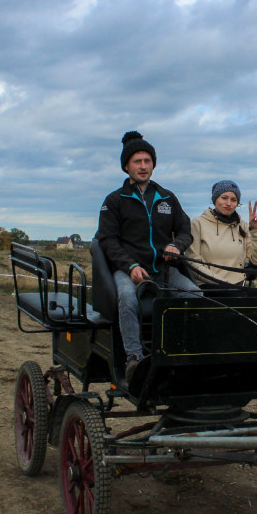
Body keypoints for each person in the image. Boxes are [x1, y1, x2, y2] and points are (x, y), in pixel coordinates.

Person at [95, 131, 200, 382]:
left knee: (196, 295)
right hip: (128, 270)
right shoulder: (114, 201)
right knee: (128, 300)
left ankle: (179, 350)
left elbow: (186, 231)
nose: (143, 166)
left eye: (147, 161)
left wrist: (177, 246)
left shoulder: (167, 198)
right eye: (137, 162)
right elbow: (107, 240)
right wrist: (129, 265)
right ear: (126, 167)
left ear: (153, 164)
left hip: (162, 269)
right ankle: (134, 358)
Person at [185, 180, 257, 289]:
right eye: (224, 198)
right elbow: (192, 263)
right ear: (215, 200)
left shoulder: (242, 226)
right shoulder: (198, 224)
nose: (228, 203)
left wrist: (255, 230)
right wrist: (223, 283)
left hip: (238, 286)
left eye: (233, 200)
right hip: (209, 286)